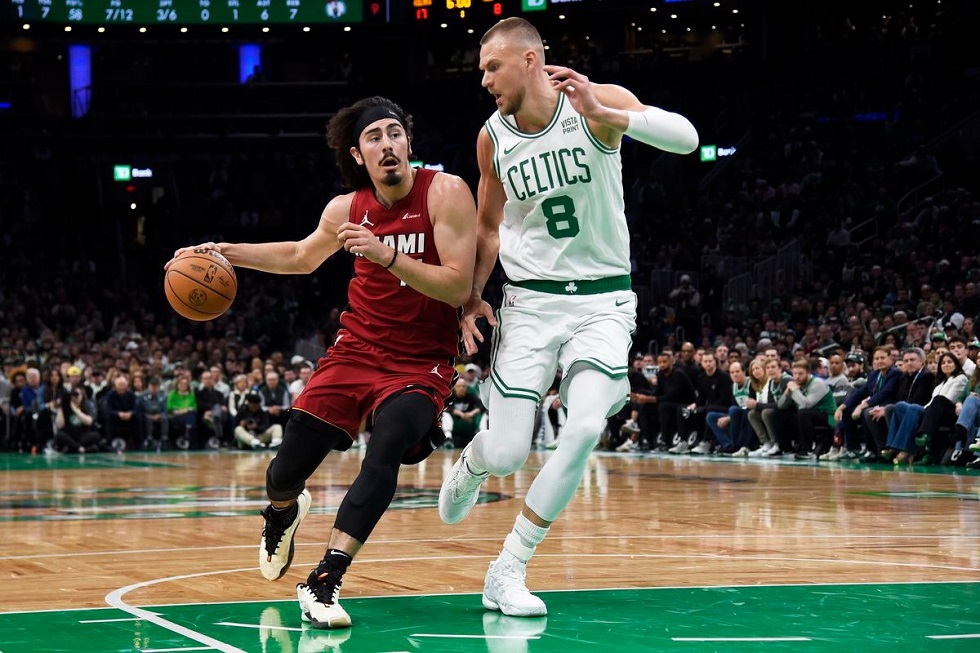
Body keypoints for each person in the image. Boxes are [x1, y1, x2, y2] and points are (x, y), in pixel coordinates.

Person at [167, 96, 476, 630]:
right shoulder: (345, 209)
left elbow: (456, 287)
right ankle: (282, 511)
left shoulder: (445, 192)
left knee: (386, 446)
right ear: (357, 154)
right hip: (356, 352)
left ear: (408, 141)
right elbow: (299, 256)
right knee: (284, 473)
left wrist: (385, 254)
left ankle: (325, 579)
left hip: (420, 361)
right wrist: (224, 251)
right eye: (374, 137)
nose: (387, 144)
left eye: (394, 133)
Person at [438, 17, 697, 617]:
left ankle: (509, 566)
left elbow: (686, 138)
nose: (484, 80)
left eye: (492, 67)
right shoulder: (492, 138)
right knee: (508, 452)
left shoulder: (593, 104)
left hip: (602, 301)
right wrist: (472, 297)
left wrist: (609, 115)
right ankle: (475, 460)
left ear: (529, 60)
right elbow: (488, 227)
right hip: (530, 303)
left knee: (581, 428)